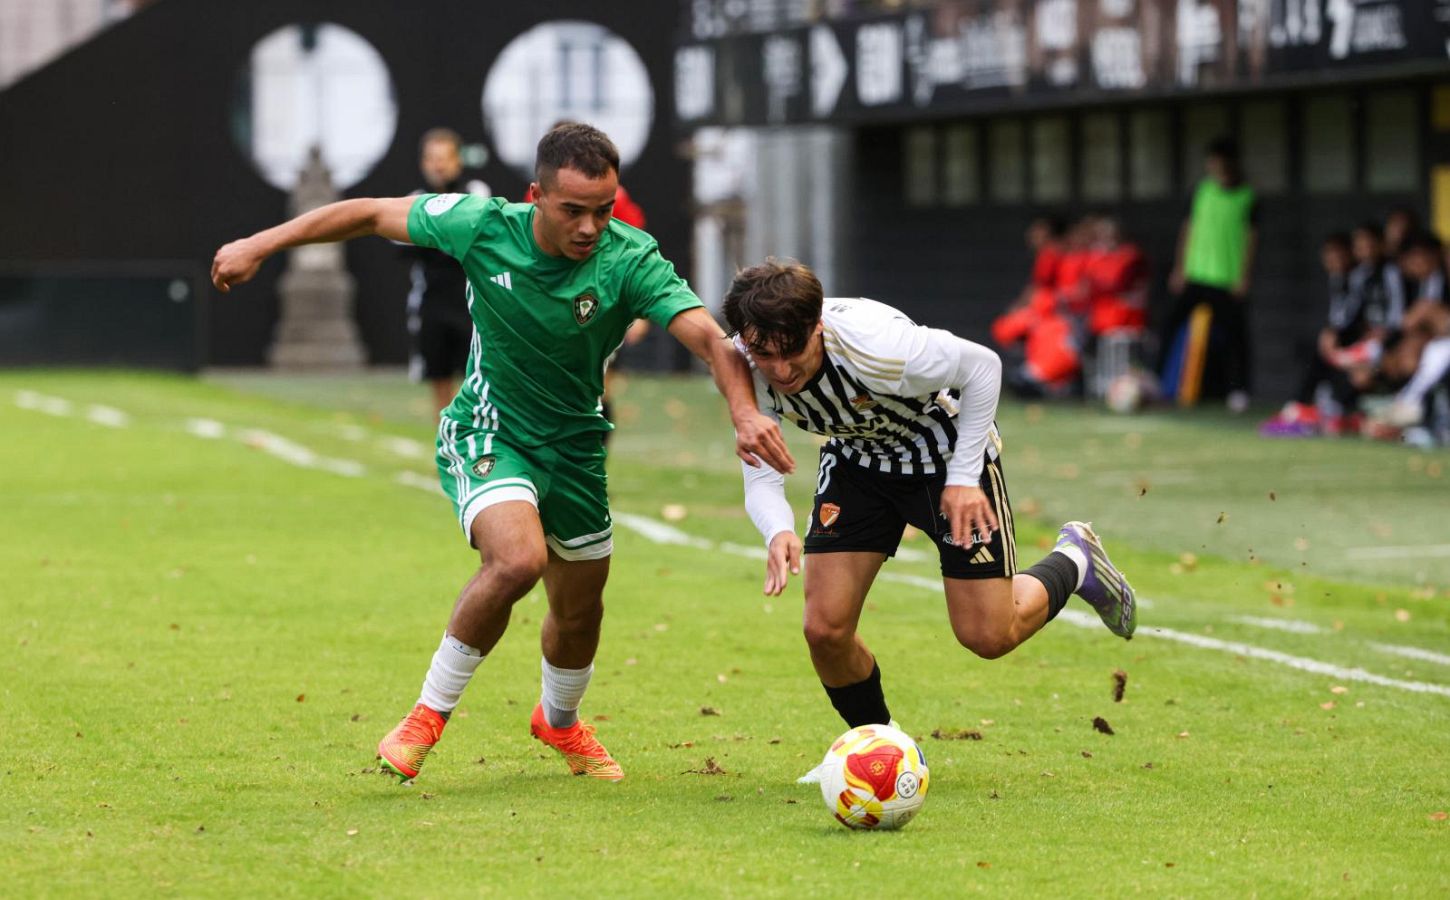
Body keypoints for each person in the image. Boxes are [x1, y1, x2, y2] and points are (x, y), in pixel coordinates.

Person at [211, 123, 794, 784]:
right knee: (518, 560)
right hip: (491, 429)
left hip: (575, 444)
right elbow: (371, 215)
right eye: (573, 210)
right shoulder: (482, 225)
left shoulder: (630, 257)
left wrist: (745, 412)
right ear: (535, 196)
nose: (589, 227)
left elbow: (712, 340)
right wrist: (259, 244)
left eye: (602, 210)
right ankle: (425, 717)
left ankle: (560, 721)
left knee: (579, 611)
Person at [721, 260, 1136, 752]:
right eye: (766, 354)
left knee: (988, 635)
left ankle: (1076, 559)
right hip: (858, 461)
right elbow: (760, 466)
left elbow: (984, 367)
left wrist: (963, 478)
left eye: (795, 352)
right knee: (824, 630)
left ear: (818, 327)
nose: (782, 371)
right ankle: (878, 750)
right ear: (746, 340)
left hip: (944, 457)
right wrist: (777, 531)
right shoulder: (738, 365)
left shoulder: (880, 349)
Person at [1162, 137, 1259, 411]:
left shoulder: (1247, 196)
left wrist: (1244, 275)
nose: (1216, 166)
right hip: (1196, 274)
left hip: (1227, 279)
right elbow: (1188, 228)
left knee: (1236, 337)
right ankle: (1158, 383)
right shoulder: (1201, 191)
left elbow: (1252, 238)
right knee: (1170, 325)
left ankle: (1239, 390)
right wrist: (1180, 267)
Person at [401, 128, 491, 414]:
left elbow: (472, 233)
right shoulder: (414, 199)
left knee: (475, 379)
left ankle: (476, 446)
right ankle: (445, 451)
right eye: (431, 159)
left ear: (457, 161)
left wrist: (433, 232)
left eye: (444, 158)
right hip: (432, 302)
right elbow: (402, 245)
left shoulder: (475, 192)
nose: (438, 166)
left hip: (471, 303)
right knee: (439, 380)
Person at [1259, 233, 1366, 437]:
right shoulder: (1337, 279)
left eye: (1337, 255)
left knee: (1330, 355)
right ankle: (1305, 409)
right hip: (1342, 344)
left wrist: (1333, 334)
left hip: (1358, 343)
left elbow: (1352, 317)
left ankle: (1321, 410)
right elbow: (1336, 317)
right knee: (1318, 352)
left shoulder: (1358, 278)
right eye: (1329, 256)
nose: (1333, 261)